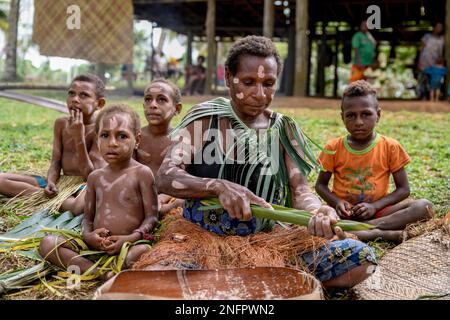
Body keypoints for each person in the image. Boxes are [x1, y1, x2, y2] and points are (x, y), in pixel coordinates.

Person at [154, 36, 377, 288]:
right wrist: (217, 186)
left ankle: (250, 280)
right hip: (203, 237)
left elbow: (301, 190)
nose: (259, 94)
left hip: (269, 240)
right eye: (248, 82)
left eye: (268, 83)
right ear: (228, 77)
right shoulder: (205, 119)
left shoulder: (283, 129)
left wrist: (318, 212)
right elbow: (165, 176)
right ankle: (269, 283)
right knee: (160, 272)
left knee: (362, 258)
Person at [39, 104, 158, 278]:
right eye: (104, 135)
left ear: (137, 140)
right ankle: (101, 274)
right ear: (97, 139)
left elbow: (152, 217)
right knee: (48, 243)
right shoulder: (95, 177)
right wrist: (89, 236)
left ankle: (118, 268)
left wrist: (130, 238)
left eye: (122, 136)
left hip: (129, 246)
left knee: (141, 252)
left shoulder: (142, 174)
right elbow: (87, 218)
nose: (112, 143)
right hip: (95, 246)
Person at [315, 80, 434, 242]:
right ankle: (380, 232)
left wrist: (375, 207)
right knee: (321, 219)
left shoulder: (390, 146)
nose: (358, 121)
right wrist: (337, 202)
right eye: (351, 115)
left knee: (425, 206)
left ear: (378, 114)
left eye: (366, 114)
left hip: (379, 212)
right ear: (342, 117)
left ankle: (368, 229)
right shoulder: (333, 147)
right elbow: (320, 185)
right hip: (343, 215)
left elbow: (404, 189)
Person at [0, 74, 107, 214]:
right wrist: (51, 181)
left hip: (83, 186)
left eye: (84, 95)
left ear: (99, 104)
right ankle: (52, 198)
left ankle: (50, 199)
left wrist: (79, 138)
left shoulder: (101, 130)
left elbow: (90, 175)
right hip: (61, 181)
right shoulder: (61, 124)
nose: (75, 99)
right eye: (71, 93)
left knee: (79, 208)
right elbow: (55, 162)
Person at [136, 79, 184, 215]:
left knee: (182, 203)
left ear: (177, 108)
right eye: (148, 99)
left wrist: (164, 198)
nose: (153, 105)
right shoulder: (134, 138)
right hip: (137, 196)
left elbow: (184, 178)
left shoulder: (181, 139)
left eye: (162, 100)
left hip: (169, 197)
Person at [417, 23, 445, 100]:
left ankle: (432, 96)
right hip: (424, 60)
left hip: (434, 62)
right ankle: (423, 96)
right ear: (434, 27)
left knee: (433, 79)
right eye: (438, 26)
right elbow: (421, 49)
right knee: (422, 78)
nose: (439, 28)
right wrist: (419, 61)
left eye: (441, 27)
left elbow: (441, 52)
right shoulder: (427, 37)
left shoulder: (442, 39)